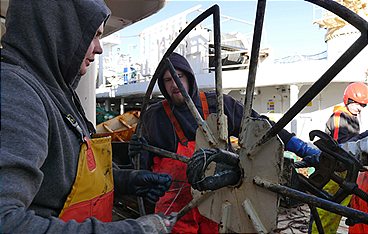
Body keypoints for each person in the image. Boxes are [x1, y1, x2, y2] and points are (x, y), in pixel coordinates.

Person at [0, 1, 174, 233]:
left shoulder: (59, 95)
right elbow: (5, 220)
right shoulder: (16, 91)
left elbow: (61, 182)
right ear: (60, 30)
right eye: (92, 35)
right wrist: (130, 231)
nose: (99, 47)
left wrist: (126, 180)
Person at [130, 52, 321, 233]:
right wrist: (139, 161)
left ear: (189, 76)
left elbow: (259, 127)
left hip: (217, 200)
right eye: (168, 80)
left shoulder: (217, 103)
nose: (174, 83)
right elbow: (144, 162)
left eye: (178, 76)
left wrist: (298, 146)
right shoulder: (154, 117)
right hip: (176, 206)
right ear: (163, 85)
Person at [310, 82, 368, 234]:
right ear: (348, 100)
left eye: (364, 106)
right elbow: (340, 146)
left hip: (345, 172)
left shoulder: (353, 118)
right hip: (333, 172)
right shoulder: (340, 116)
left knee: (336, 211)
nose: (360, 109)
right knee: (324, 210)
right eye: (358, 105)